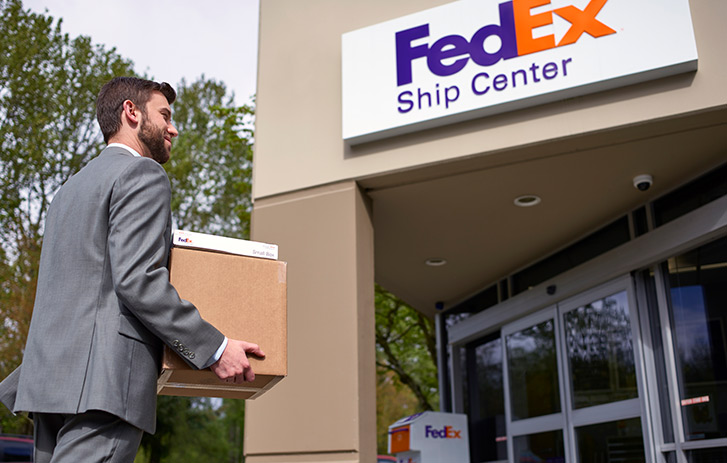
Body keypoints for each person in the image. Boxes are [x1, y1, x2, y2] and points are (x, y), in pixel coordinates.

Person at [0, 76, 264, 463]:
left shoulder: (68, 191)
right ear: (131, 112)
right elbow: (138, 281)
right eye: (165, 115)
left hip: (48, 384)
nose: (173, 128)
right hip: (105, 387)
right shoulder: (143, 174)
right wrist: (216, 348)